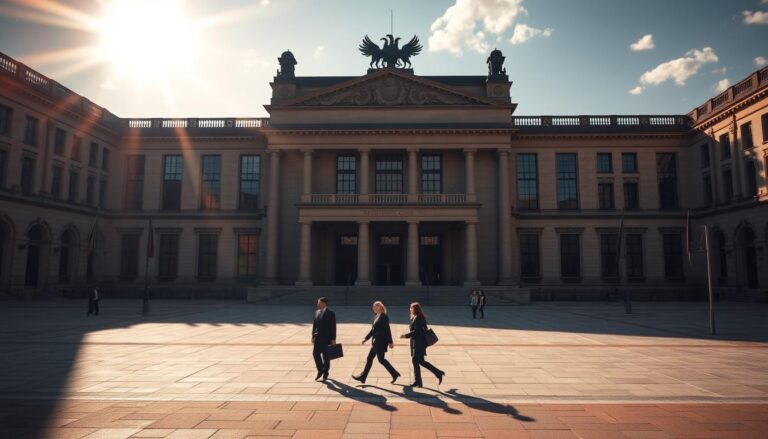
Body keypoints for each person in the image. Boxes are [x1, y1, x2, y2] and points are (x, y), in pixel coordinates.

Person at [353, 301, 400, 384]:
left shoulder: (384, 317)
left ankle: (363, 377)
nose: (373, 308)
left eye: (375, 307)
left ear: (380, 307)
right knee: (376, 359)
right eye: (373, 307)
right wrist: (366, 338)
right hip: (376, 342)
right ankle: (394, 373)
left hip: (381, 342)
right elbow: (373, 330)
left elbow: (387, 330)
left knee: (376, 359)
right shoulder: (377, 316)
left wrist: (390, 342)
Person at [400, 302, 444, 387]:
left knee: (416, 360)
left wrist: (405, 335)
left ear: (415, 309)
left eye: (411, 308)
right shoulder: (416, 317)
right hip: (417, 342)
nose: (410, 309)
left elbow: (417, 331)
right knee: (420, 361)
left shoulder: (418, 318)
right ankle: (435, 374)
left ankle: (420, 381)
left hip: (419, 343)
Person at [311, 296, 336, 381]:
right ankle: (320, 370)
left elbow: (333, 327)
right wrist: (313, 336)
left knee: (326, 357)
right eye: (318, 303)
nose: (317, 304)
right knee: (315, 354)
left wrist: (333, 339)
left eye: (319, 303)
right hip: (318, 338)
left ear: (324, 304)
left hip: (326, 339)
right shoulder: (317, 312)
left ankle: (325, 373)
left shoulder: (331, 313)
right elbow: (315, 325)